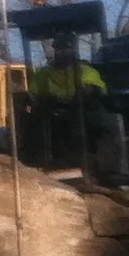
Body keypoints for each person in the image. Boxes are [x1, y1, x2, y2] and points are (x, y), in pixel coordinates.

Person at [26, 33, 108, 167]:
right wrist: (42, 100)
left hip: (80, 113)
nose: (63, 52)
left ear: (74, 50)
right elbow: (32, 95)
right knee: (34, 123)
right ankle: (38, 162)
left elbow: (96, 87)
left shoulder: (85, 70)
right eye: (59, 49)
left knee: (94, 121)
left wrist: (89, 91)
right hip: (52, 115)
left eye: (67, 49)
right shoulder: (43, 74)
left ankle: (94, 163)